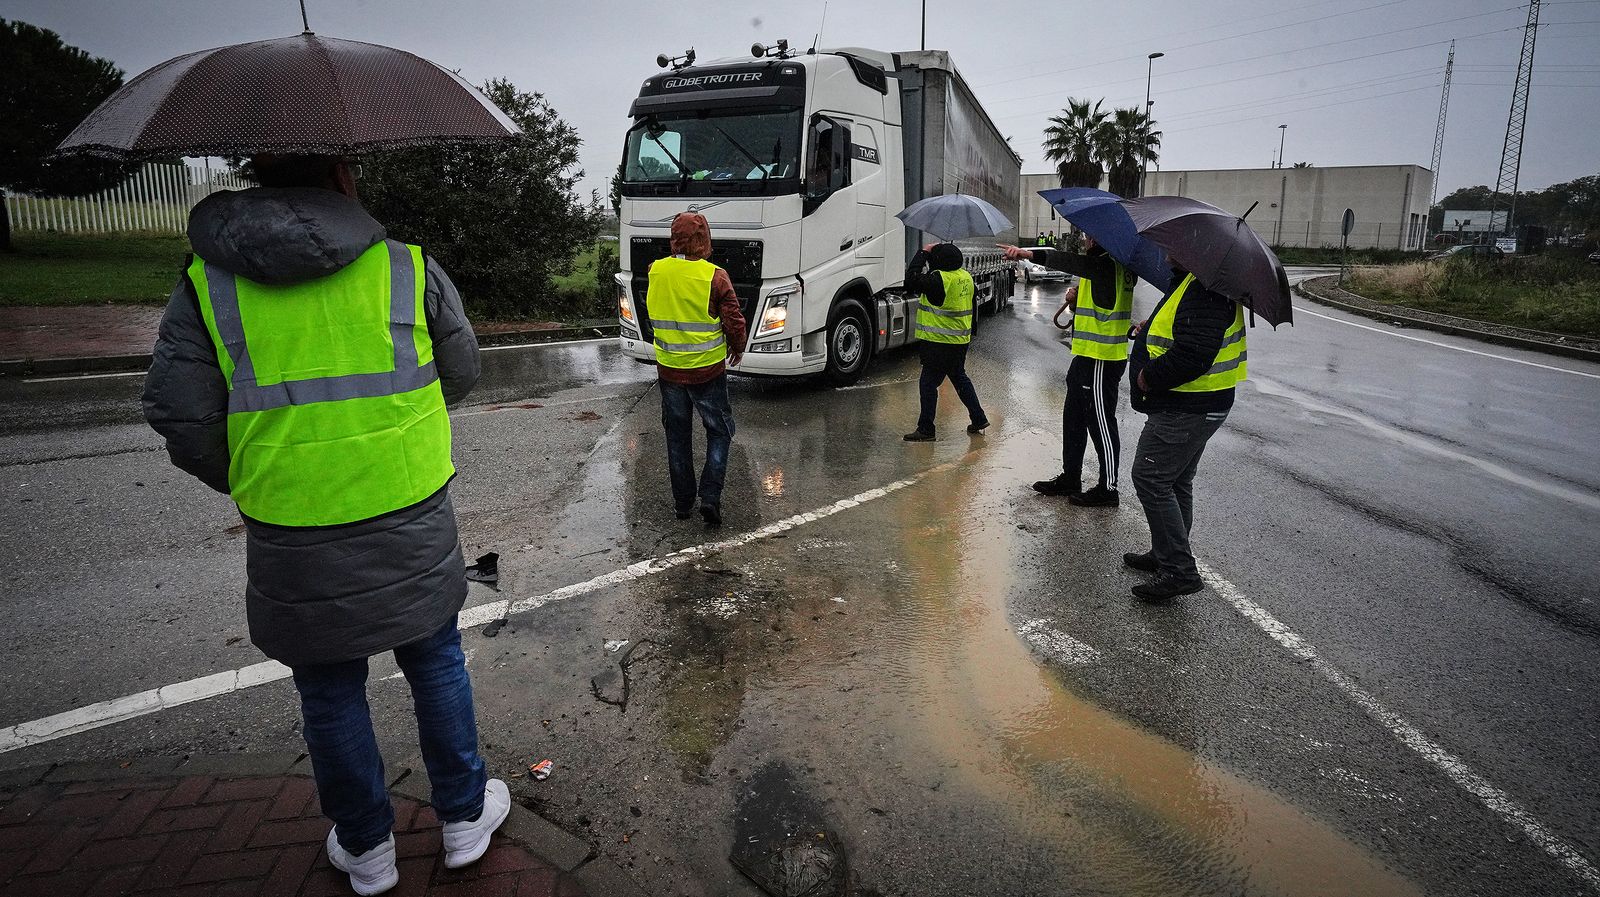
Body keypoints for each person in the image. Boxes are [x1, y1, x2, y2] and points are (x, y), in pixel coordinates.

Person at [143, 154, 505, 896]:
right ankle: (465, 820)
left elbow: (181, 413)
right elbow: (461, 367)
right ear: (342, 173)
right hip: (410, 503)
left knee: (329, 688)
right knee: (435, 659)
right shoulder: (405, 267)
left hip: (291, 520)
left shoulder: (208, 283)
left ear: (259, 174)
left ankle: (367, 850)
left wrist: (255, 473)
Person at [1124, 265, 1247, 602]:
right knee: (1176, 481)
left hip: (1188, 406)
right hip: (1198, 404)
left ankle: (1179, 570)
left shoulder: (1204, 290)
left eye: (1173, 247)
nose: (1165, 253)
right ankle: (1166, 554)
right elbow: (1182, 333)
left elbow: (1194, 354)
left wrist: (1149, 376)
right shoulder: (1194, 283)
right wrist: (1148, 332)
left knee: (1150, 478)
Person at [1001, 236, 1137, 506]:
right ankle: (1071, 476)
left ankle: (1108, 489)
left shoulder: (1106, 264)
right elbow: (1100, 307)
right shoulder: (1103, 265)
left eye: (1090, 236)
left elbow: (1072, 262)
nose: (1086, 240)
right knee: (1073, 416)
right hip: (1086, 355)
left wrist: (1029, 254)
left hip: (1102, 357)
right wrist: (1075, 302)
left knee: (1101, 422)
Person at [646, 211, 748, 526]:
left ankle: (682, 504)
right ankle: (711, 498)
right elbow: (733, 319)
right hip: (707, 371)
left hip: (669, 370)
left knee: (677, 436)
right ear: (704, 240)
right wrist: (738, 346)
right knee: (719, 431)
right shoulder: (715, 276)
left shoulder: (655, 270)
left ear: (674, 239)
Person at [904, 241, 988, 441]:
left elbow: (911, 279)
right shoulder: (965, 277)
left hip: (938, 342)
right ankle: (978, 418)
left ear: (938, 261)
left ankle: (926, 429)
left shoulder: (938, 279)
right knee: (959, 377)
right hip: (959, 340)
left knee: (928, 384)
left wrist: (923, 252)